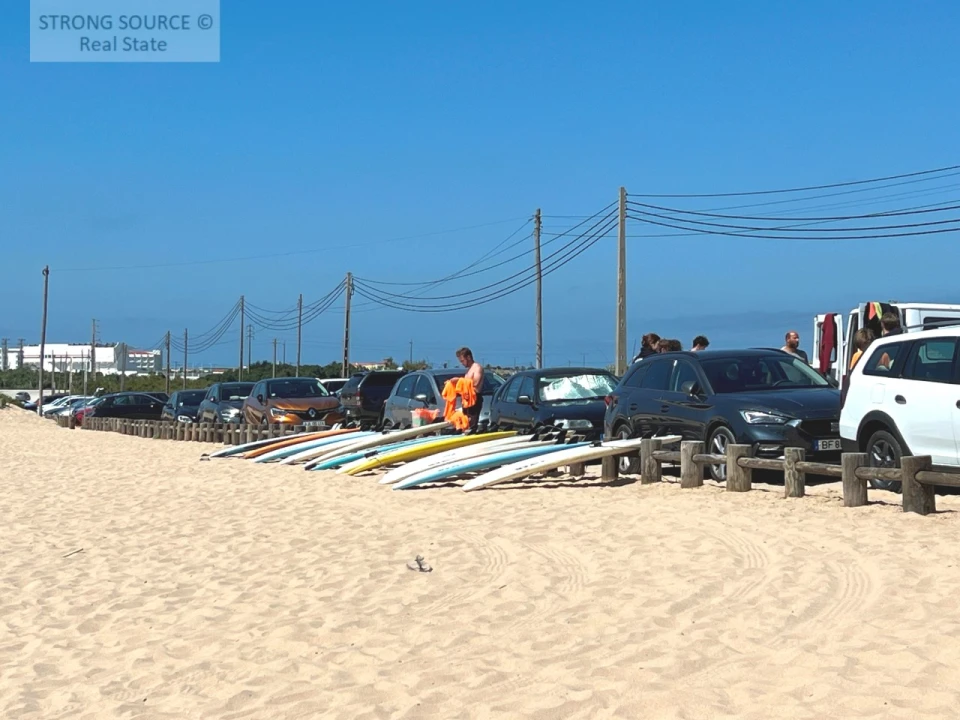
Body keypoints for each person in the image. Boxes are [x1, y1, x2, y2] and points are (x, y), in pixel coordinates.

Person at [455, 346, 484, 432]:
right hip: (466, 400)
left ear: (468, 357)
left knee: (472, 425)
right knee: (465, 424)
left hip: (475, 399)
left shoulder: (477, 368)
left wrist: (459, 380)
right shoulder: (468, 370)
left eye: (463, 361)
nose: (462, 363)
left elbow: (475, 383)